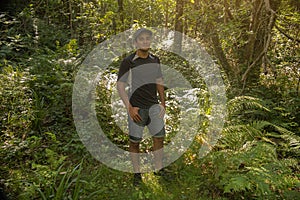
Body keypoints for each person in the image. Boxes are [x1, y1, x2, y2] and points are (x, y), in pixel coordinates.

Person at [117, 28, 168, 186]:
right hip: (137, 108)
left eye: (147, 38)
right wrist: (129, 107)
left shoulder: (155, 59)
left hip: (153, 106)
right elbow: (120, 85)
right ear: (136, 42)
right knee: (134, 142)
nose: (145, 41)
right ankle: (137, 174)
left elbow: (159, 81)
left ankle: (158, 169)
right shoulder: (129, 61)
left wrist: (163, 104)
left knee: (159, 138)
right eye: (141, 39)